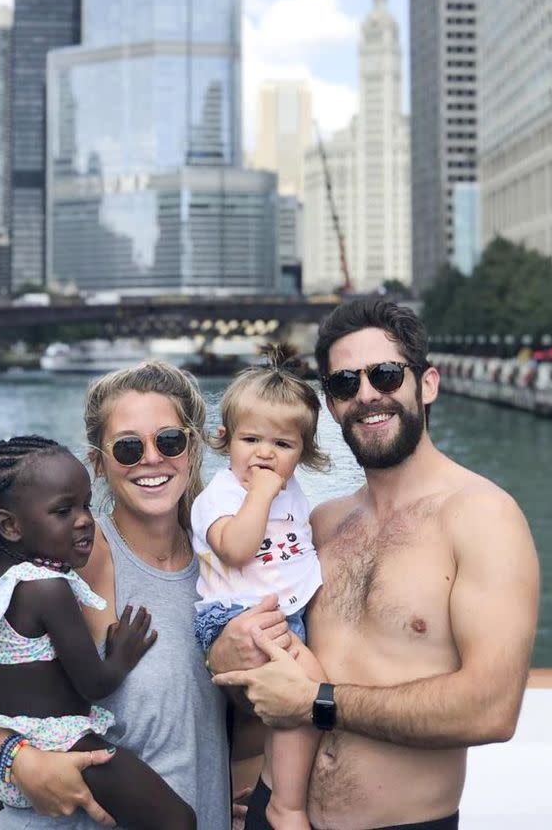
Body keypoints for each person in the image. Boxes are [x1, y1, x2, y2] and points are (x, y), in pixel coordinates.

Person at [211, 298, 540, 830]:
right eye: (344, 384)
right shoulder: (318, 523)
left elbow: (491, 708)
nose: (366, 395)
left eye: (385, 375)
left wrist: (318, 704)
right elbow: (269, 686)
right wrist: (225, 658)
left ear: (426, 384)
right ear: (331, 405)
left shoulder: (484, 518)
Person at [0, 362, 231, 830]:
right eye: (127, 447)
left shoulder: (222, 555)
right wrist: (20, 763)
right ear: (99, 463)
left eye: (168, 440)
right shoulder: (72, 560)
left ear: (193, 445)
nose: (151, 458)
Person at [191, 348, 329, 830]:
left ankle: (275, 786)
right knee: (311, 693)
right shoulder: (221, 496)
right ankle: (285, 805)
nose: (266, 454)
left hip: (277, 615)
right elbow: (236, 549)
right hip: (233, 617)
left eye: (283, 444)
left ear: (304, 452)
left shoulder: (293, 492)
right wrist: (262, 494)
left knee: (299, 703)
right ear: (226, 441)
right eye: (251, 439)